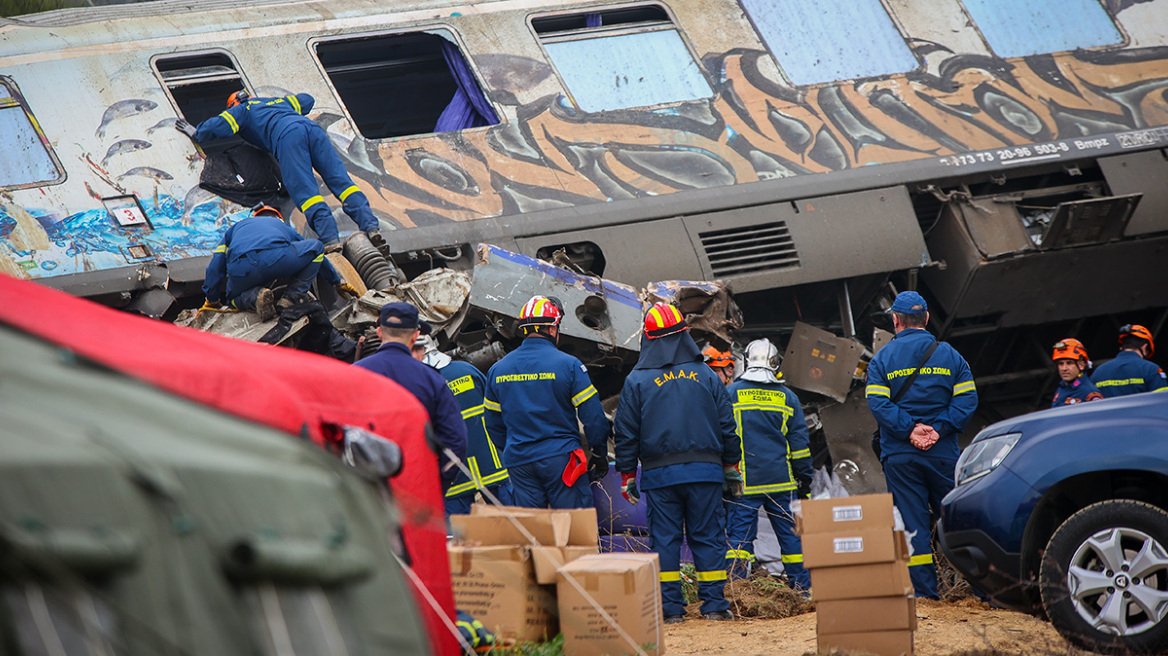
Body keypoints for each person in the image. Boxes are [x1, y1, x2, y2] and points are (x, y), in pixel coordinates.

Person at [614, 303, 740, 623]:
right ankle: (714, 606)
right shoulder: (707, 375)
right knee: (708, 536)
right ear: (684, 335)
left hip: (660, 476)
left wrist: (628, 473)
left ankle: (671, 611)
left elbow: (626, 433)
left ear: (648, 338)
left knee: (665, 540)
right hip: (705, 473)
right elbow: (727, 424)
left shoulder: (636, 381)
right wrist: (731, 466)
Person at [866, 291, 977, 599]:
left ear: (896, 320)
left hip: (902, 455)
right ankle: (982, 592)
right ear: (927, 318)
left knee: (912, 524)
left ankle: (927, 596)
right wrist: (938, 430)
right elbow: (968, 399)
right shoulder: (950, 355)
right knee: (956, 520)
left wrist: (910, 430)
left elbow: (877, 403)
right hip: (942, 454)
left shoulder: (882, 359)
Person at [177, 90, 383, 253]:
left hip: (289, 137)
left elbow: (220, 124)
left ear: (234, 105)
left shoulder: (243, 109)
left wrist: (197, 133)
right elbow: (307, 100)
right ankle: (371, 227)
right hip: (312, 130)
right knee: (342, 183)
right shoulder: (276, 102)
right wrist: (281, 103)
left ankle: (330, 239)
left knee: (305, 191)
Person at [483, 296, 610, 509]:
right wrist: (599, 453)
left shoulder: (498, 370)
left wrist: (514, 449)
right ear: (552, 329)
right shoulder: (569, 365)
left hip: (519, 462)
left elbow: (493, 423)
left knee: (534, 532)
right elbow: (593, 416)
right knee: (574, 530)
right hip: (561, 459)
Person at [723, 338, 813, 590]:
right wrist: (805, 479)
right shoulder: (788, 398)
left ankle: (737, 591)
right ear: (775, 363)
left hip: (743, 483)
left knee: (739, 540)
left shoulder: (730, 393)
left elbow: (721, 436)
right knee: (791, 538)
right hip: (782, 482)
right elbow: (800, 447)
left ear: (748, 360)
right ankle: (802, 590)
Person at [353, 303, 467, 491]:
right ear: (415, 336)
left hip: (367, 491)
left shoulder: (354, 374)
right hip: (417, 488)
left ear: (380, 333)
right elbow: (456, 440)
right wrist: (438, 483)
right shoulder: (432, 380)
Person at [201, 204, 356, 320]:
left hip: (241, 268)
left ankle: (255, 297)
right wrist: (336, 281)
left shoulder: (235, 228)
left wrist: (212, 298)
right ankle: (291, 297)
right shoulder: (283, 227)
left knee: (234, 299)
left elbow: (216, 265)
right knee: (316, 247)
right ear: (279, 218)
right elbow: (313, 253)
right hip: (276, 259)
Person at [416, 332, 513, 514]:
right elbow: (497, 409)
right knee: (517, 523)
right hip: (492, 464)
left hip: (454, 475)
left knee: (458, 538)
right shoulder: (466, 370)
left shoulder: (420, 386)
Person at [1090, 324, 1167, 397]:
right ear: (1144, 347)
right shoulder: (1151, 370)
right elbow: (1162, 401)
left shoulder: (1099, 372)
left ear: (1122, 347)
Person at [1050, 338, 1103, 407]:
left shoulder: (1090, 393)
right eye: (1060, 364)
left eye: (1069, 363)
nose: (1064, 368)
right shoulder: (1062, 387)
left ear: (1081, 365)